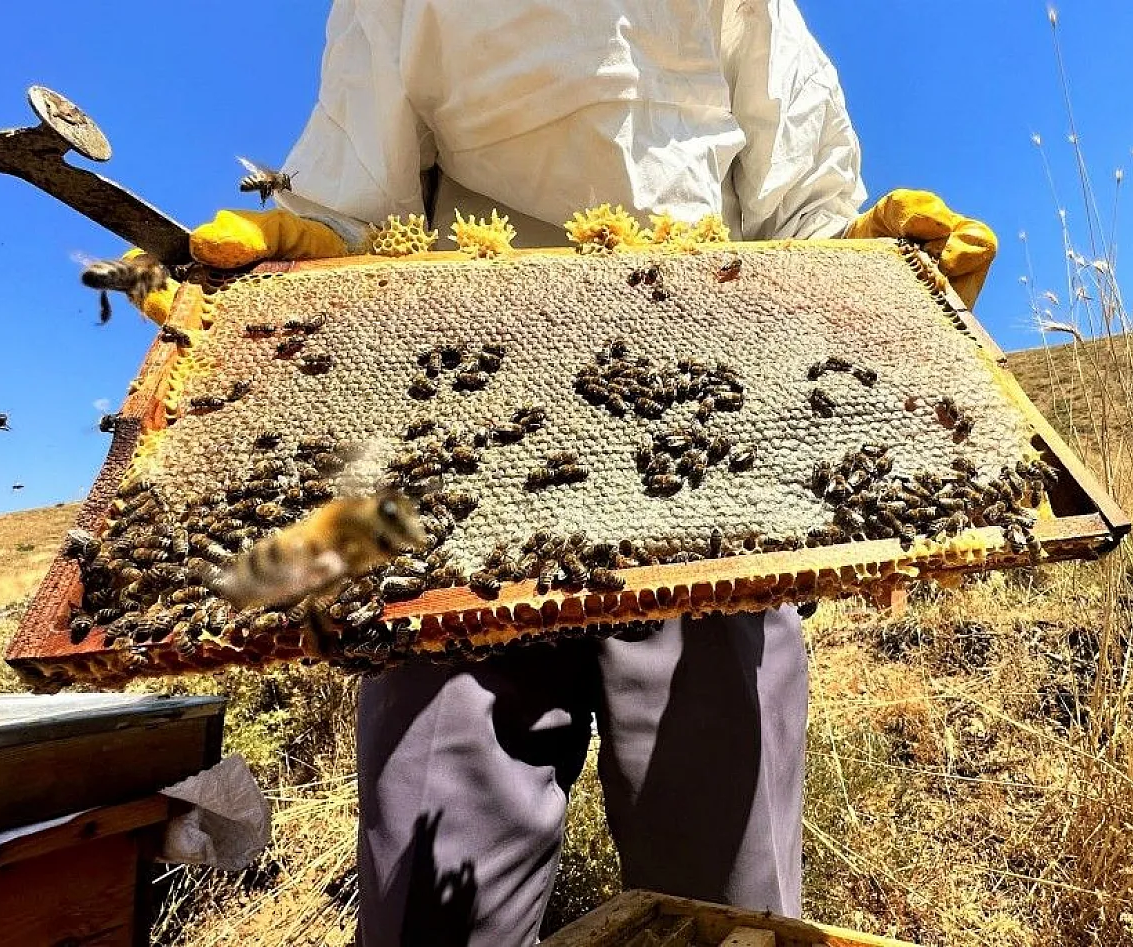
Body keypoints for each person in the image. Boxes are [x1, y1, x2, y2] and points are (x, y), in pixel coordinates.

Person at [145, 2, 998, 943]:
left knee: (726, 897)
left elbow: (799, 186)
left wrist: (859, 268)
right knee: (436, 892)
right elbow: (357, 180)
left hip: (707, 424)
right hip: (460, 435)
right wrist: (311, 248)